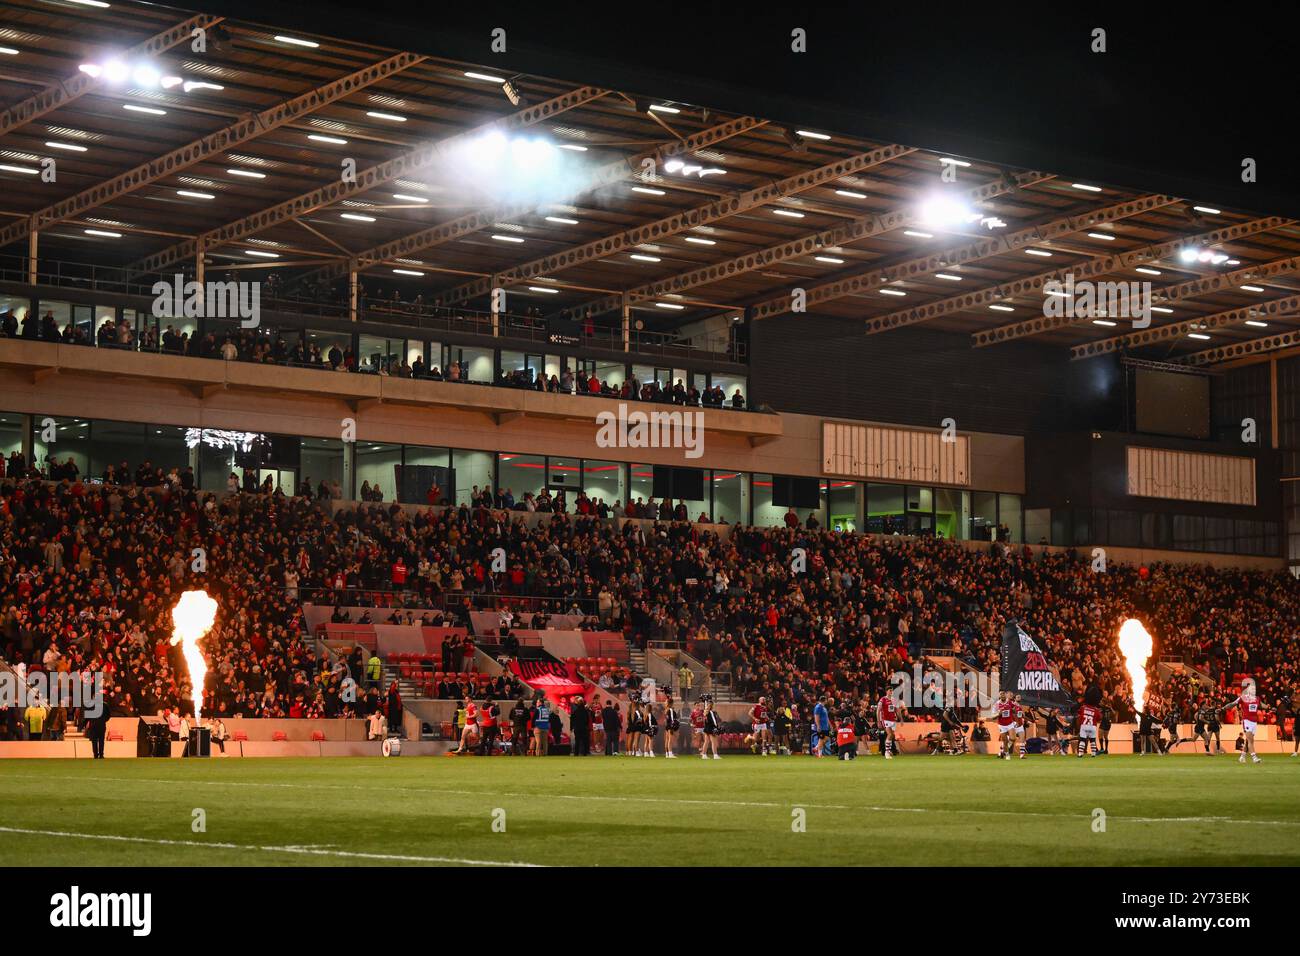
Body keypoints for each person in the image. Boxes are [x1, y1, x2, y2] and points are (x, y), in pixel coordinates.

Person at [1223, 679, 1263, 765]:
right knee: (1250, 740)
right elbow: (1233, 703)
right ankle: (1254, 757)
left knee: (1248, 741)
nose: (1253, 690)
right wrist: (1223, 708)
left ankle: (1242, 757)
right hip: (1247, 721)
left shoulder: (1257, 698)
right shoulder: (1242, 698)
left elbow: (1262, 705)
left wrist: (1270, 708)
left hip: (1254, 722)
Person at [876, 691, 906, 759]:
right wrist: (878, 721)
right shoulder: (883, 699)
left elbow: (897, 710)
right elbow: (878, 710)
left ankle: (888, 751)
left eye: (892, 691)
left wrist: (901, 719)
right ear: (887, 692)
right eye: (890, 691)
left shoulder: (894, 700)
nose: (891, 692)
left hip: (893, 720)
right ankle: (887, 752)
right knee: (889, 734)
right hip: (885, 719)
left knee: (892, 735)